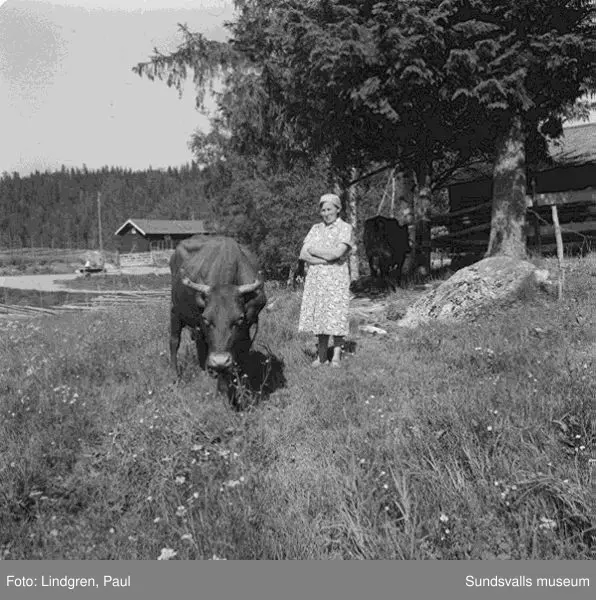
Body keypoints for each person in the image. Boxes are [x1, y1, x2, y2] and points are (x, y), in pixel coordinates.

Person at [298, 193, 354, 367]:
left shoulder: (345, 228)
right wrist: (325, 258)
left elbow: (337, 253)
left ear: (338, 209)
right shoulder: (315, 228)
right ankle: (321, 356)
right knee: (320, 317)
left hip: (336, 278)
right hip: (316, 280)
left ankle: (336, 356)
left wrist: (315, 251)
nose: (326, 213)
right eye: (323, 210)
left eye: (329, 209)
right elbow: (303, 253)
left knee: (336, 315)